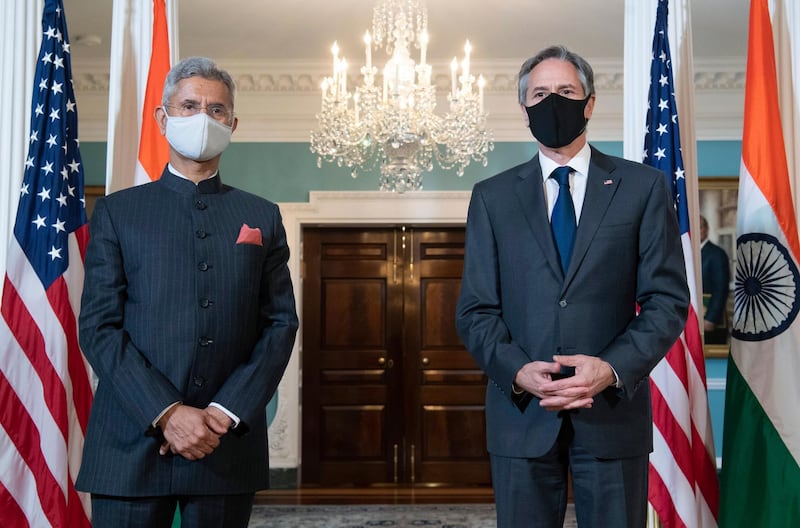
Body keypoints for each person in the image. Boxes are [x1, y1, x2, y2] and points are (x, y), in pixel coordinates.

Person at [455, 45, 689, 528]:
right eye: (540, 94)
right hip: (521, 415)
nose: (552, 102)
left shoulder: (642, 187)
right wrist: (517, 371)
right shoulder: (492, 197)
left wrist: (611, 368)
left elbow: (667, 301)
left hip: (610, 412)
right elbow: (476, 310)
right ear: (524, 110)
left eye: (565, 91)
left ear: (590, 103)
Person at [77, 57, 298, 528]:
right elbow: (99, 327)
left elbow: (279, 325)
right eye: (190, 105)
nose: (204, 118)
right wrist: (167, 413)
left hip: (225, 445)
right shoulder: (118, 213)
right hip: (129, 445)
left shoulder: (262, 215)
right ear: (164, 118)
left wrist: (223, 411)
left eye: (217, 110)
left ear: (232, 123)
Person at [699, 214, 731, 344]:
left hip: (710, 322)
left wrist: (710, 318)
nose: (697, 230)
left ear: (706, 229)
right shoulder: (686, 251)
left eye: (700, 227)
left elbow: (721, 289)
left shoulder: (717, 254)